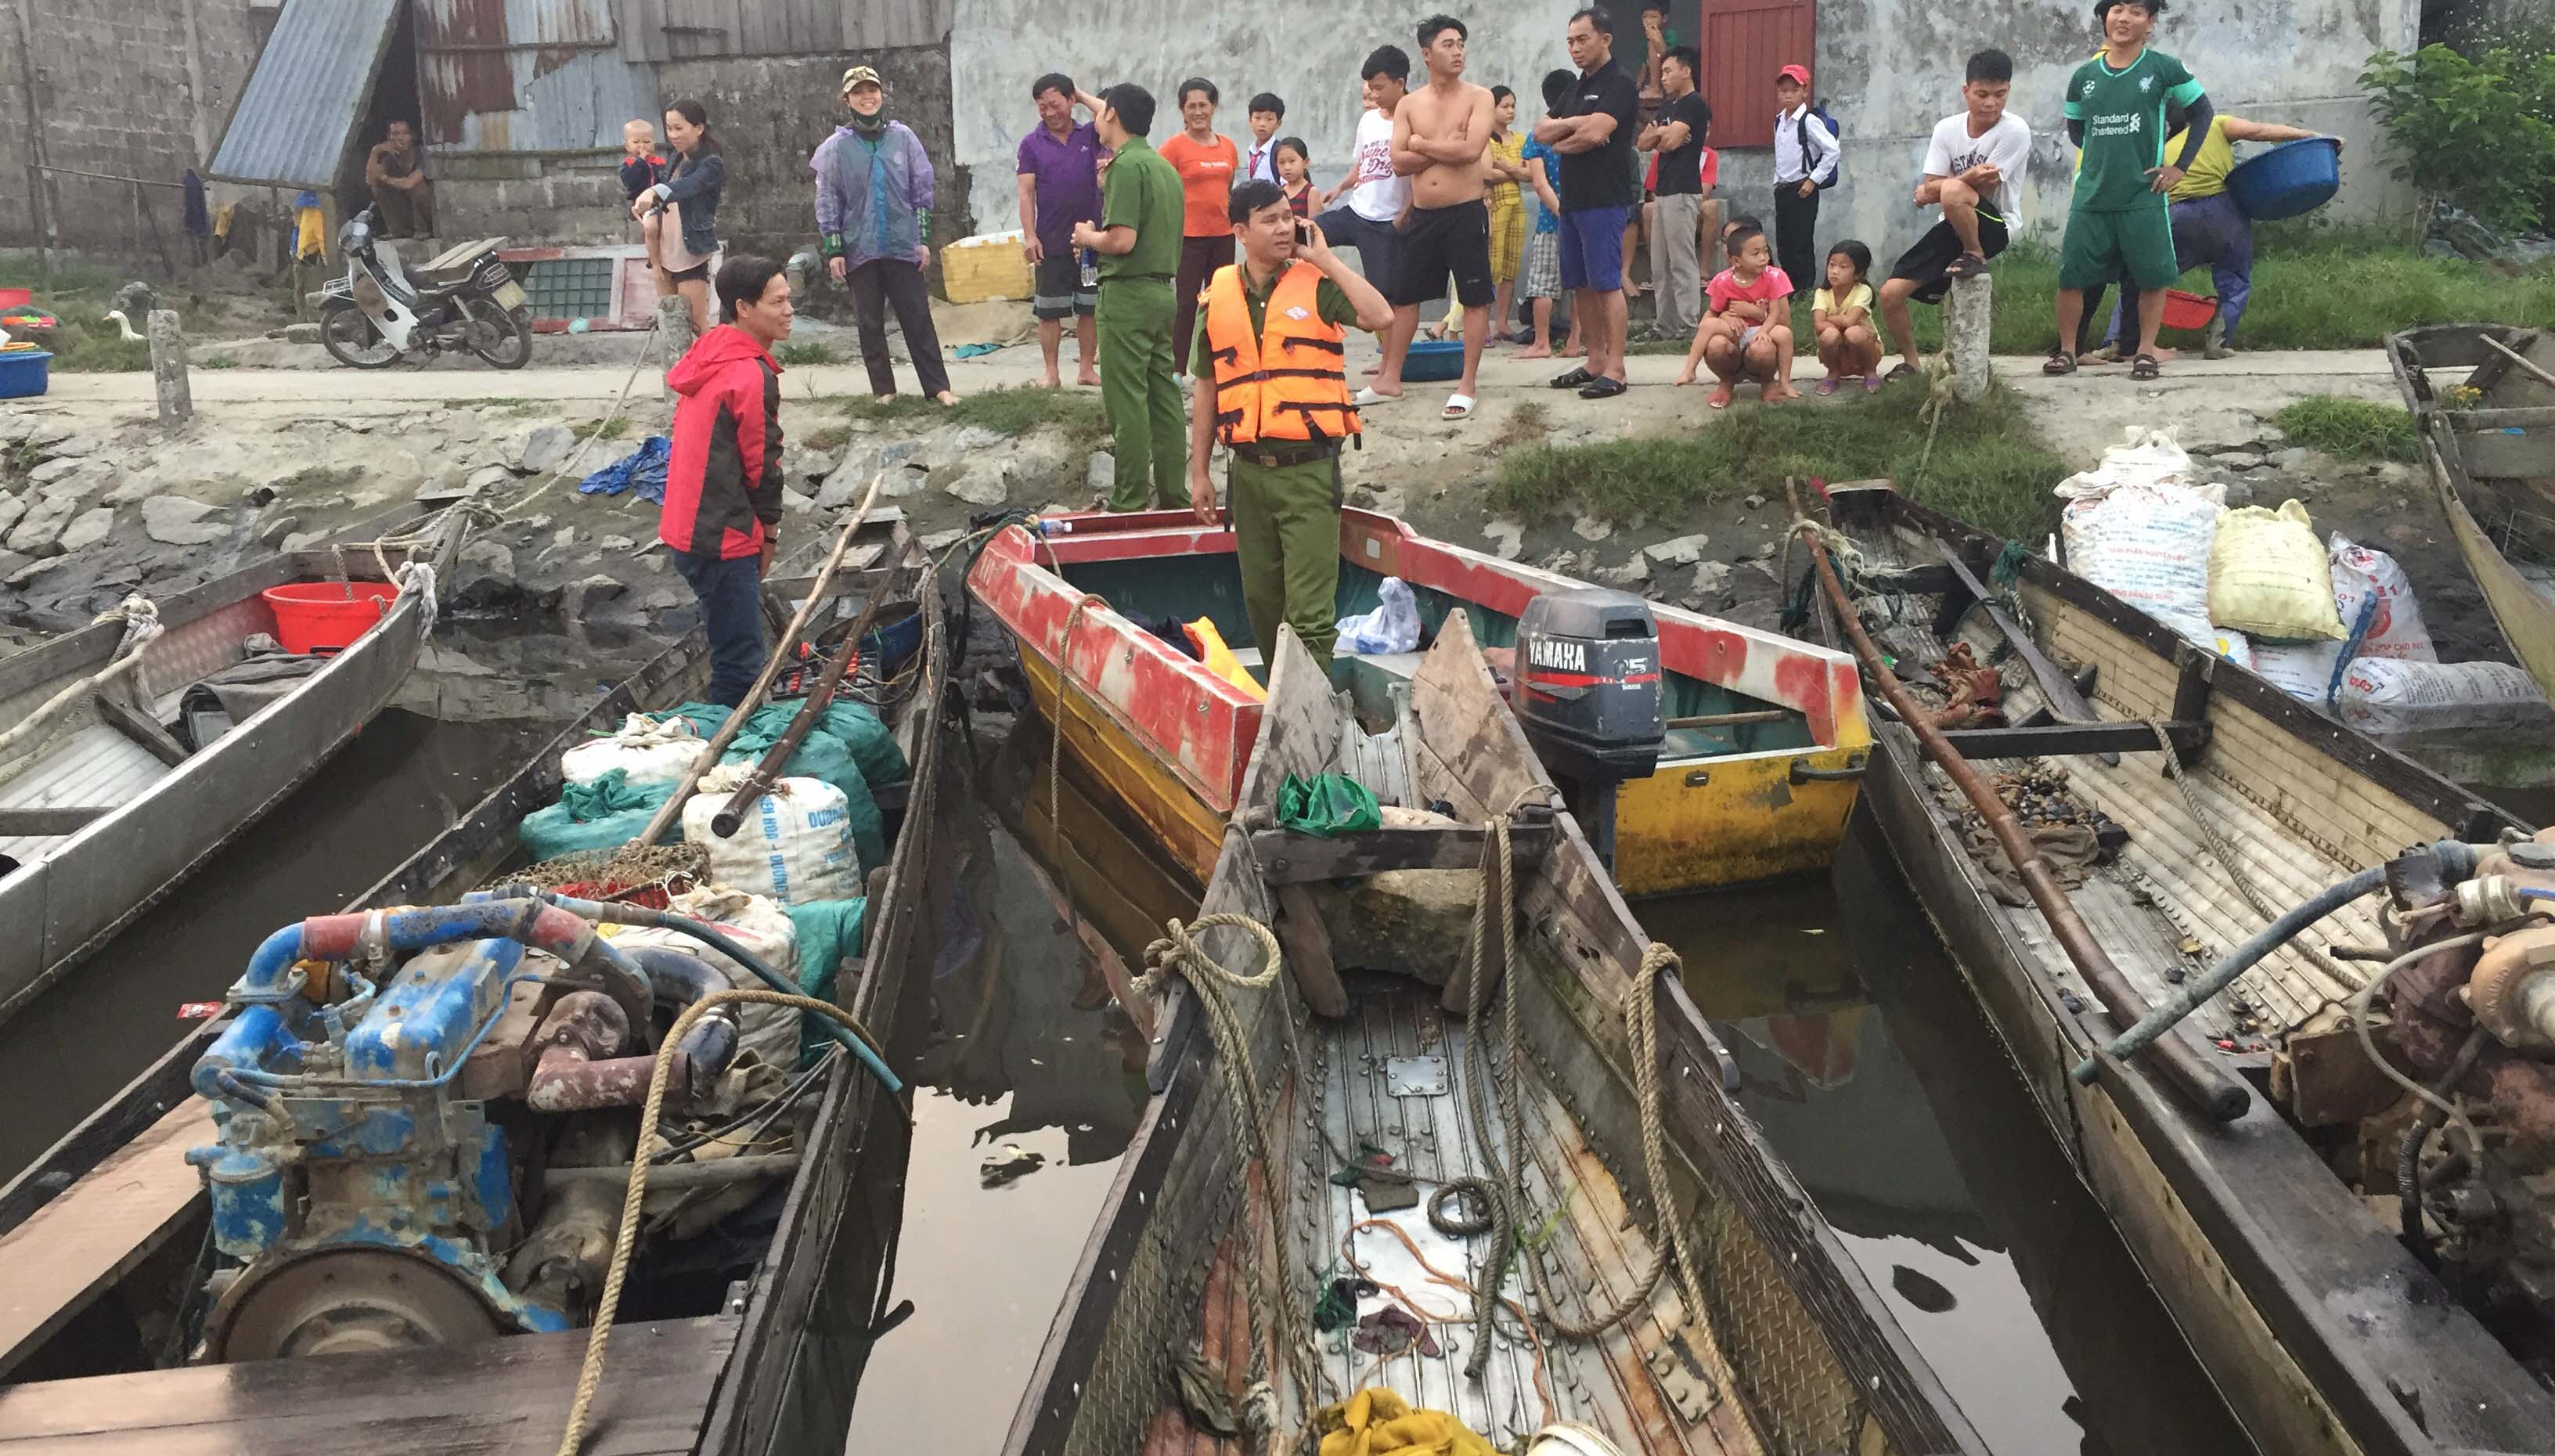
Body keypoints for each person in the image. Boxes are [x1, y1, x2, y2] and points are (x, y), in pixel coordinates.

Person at [1188, 180, 1393, 662]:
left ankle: (1310, 720)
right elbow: (1207, 388)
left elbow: (1380, 314)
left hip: (1308, 472)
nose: (1284, 228)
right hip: (1249, 474)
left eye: (1287, 217)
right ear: (1241, 231)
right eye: (1270, 220)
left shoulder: (1317, 283)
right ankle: (1279, 706)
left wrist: (1325, 259)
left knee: (1308, 617)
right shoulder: (1217, 295)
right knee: (1262, 606)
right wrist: (1199, 471)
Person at [2048, 0, 2211, 380]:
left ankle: (2144, 354)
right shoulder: (2084, 76)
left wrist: (2179, 167)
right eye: (2117, 8)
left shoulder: (2164, 69)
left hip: (2143, 196)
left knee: (2151, 277)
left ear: (2150, 23)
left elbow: (2203, 112)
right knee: (2071, 277)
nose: (2124, 18)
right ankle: (2067, 352)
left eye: (2137, 11)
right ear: (2105, 17)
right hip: (2091, 197)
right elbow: (2077, 130)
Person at [2087, 114, 2337, 360]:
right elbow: (2260, 131)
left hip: (2175, 218)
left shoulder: (2159, 149)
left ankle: (2117, 342)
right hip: (2224, 214)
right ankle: (2218, 343)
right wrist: (2315, 137)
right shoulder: (2216, 124)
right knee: (2236, 279)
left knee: (2142, 279)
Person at [662, 255, 792, 708]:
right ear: (743, 308)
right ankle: (727, 759)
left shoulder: (711, 352)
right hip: (720, 534)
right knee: (739, 664)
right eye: (777, 301)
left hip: (687, 528)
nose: (789, 310)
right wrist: (769, 534)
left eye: (788, 299)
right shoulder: (749, 375)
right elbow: (762, 468)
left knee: (729, 647)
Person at [1879, 48, 2032, 380]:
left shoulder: (2015, 130)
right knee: (1890, 295)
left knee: (1952, 192)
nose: (1991, 103)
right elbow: (1931, 187)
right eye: (1982, 94)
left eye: (2000, 95)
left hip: (1995, 225)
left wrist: (1942, 188)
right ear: (1966, 91)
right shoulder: (1947, 130)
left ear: (2008, 91)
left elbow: (1973, 191)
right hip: (1951, 223)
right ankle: (1911, 362)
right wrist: (1957, 183)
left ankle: (1974, 254)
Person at [1372, 15, 1495, 420]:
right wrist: (1440, 145)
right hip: (1424, 216)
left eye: (1460, 43)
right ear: (1426, 54)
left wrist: (1422, 144)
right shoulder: (1409, 103)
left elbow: (1471, 152)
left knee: (1475, 299)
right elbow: (1398, 162)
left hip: (1465, 212)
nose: (1458, 51)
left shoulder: (1479, 97)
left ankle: (1467, 384)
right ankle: (1390, 376)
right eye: (1448, 44)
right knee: (1406, 297)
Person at [1075, 84, 1189, 511]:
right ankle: (1175, 497)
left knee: (1128, 403)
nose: (1096, 118)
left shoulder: (1125, 167)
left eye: (1101, 112)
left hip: (1126, 294)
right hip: (1163, 293)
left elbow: (1121, 241)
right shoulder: (1162, 166)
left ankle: (1130, 500)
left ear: (1114, 116)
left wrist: (1088, 236)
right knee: (1164, 397)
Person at [815, 67, 955, 405]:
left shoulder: (903, 138)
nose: (867, 97)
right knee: (869, 321)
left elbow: (921, 189)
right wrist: (834, 247)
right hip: (859, 247)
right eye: (858, 92)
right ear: (846, 99)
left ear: (882, 94)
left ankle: (938, 388)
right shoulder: (836, 148)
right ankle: (884, 391)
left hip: (901, 243)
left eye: (872, 90)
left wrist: (922, 239)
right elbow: (828, 197)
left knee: (917, 317)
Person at [1537, 8, 1639, 400]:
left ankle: (1616, 368)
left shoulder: (1621, 84)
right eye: (1570, 41)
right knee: (1579, 285)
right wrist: (1577, 126)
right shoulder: (1576, 86)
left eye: (1582, 40)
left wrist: (1572, 131)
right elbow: (1541, 130)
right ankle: (1595, 360)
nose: (1575, 48)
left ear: (1605, 39)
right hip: (1572, 202)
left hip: (1605, 199)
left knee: (1607, 284)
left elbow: (1597, 133)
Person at [1314, 48, 1414, 361]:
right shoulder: (1369, 120)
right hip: (1356, 211)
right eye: (1370, 87)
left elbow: (1424, 176)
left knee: (1384, 296)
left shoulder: (1414, 120)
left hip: (1386, 223)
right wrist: (1340, 187)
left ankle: (1389, 362)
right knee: (1300, 234)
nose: (1373, 94)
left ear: (1400, 83)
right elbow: (1363, 163)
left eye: (1379, 87)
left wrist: (1405, 214)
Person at [1018, 72, 1108, 389]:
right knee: (1049, 310)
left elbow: (1111, 113)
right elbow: (1026, 193)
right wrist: (1030, 236)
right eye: (1043, 107)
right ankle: (1051, 373)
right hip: (1051, 240)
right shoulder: (1031, 144)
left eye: (1056, 104)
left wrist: (1082, 95)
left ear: (1070, 101)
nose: (1050, 113)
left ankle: (1086, 369)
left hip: (1091, 240)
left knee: (1090, 307)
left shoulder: (1091, 135)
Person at [1160, 79, 1240, 374]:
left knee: (1220, 304)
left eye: (1202, 105)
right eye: (1190, 106)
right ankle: (1177, 369)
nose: (1197, 111)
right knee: (1185, 306)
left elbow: (1228, 189)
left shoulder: (1228, 147)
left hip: (1223, 236)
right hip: (1188, 239)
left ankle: (1217, 367)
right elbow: (1159, 185)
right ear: (1182, 110)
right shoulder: (1174, 147)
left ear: (1213, 107)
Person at [1675, 222, 1796, 407]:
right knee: (1710, 331)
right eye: (1756, 254)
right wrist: (1725, 316)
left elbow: (1779, 317)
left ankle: (1781, 383)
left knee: (1783, 335)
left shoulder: (1773, 277)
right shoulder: (1722, 281)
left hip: (1761, 330)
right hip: (1735, 332)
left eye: (1766, 252)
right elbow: (1712, 314)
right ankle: (1693, 370)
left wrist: (1756, 316)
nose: (1764, 258)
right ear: (1736, 260)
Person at [633, 99, 726, 335]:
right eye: (669, 128)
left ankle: (721, 368)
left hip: (689, 251)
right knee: (671, 324)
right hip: (662, 250)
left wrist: (654, 193)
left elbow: (688, 186)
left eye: (679, 128)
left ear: (699, 128)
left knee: (696, 323)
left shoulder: (711, 164)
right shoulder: (675, 158)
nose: (673, 135)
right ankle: (679, 371)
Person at [1638, 45, 1710, 341]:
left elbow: (1669, 143)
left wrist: (1662, 138)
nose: (1663, 77)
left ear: (1686, 71)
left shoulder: (1695, 104)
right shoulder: (1667, 107)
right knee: (1660, 263)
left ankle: (1689, 324)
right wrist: (1660, 136)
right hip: (1662, 191)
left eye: (1668, 71)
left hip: (1684, 190)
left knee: (1681, 260)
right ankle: (1665, 325)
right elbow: (1644, 142)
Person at [1512, 70, 1572, 360]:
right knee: (1580, 286)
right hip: (1582, 216)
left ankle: (1542, 343)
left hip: (1551, 221)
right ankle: (1575, 343)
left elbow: (1539, 182)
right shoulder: (1580, 128)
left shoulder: (1539, 134)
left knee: (1542, 285)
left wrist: (1560, 212)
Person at [1769, 65, 1836, 294]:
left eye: (1794, 90)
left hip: (1803, 189)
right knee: (1784, 244)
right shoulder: (1779, 121)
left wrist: (1813, 180)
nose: (1788, 95)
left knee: (1801, 243)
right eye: (1784, 90)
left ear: (1804, 92)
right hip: (1783, 189)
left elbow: (1832, 150)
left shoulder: (1809, 121)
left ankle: (1804, 292)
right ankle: (1788, 291)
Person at [1483, 86, 1527, 348]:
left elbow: (1531, 173)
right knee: (1491, 267)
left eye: (1512, 105)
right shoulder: (1485, 140)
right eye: (1504, 106)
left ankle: (1501, 322)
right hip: (1495, 206)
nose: (1510, 111)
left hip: (1516, 207)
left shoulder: (1520, 140)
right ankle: (1484, 325)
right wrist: (1517, 171)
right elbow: (1486, 174)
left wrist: (1507, 169)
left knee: (1510, 266)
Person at [1813, 240, 1881, 394]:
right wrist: (1836, 326)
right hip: (1838, 353)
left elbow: (1850, 322)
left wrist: (1828, 318)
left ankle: (1870, 372)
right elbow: (1818, 325)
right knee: (1829, 335)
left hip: (1866, 351)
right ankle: (1833, 374)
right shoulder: (1822, 294)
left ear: (1858, 274)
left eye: (1843, 267)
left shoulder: (1863, 291)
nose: (1835, 271)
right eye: (1832, 265)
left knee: (1854, 333)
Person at [365, 121, 434, 239]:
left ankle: (423, 231)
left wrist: (384, 177)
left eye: (405, 133)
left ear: (412, 136)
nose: (400, 138)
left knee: (418, 188)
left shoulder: (423, 155)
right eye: (395, 134)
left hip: (430, 215)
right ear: (389, 138)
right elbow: (370, 180)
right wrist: (375, 152)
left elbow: (409, 183)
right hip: (408, 214)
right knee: (378, 187)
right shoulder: (390, 159)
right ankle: (397, 231)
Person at [1244, 93, 1286, 183]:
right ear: (1250, 120)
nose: (1262, 124)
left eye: (1269, 119)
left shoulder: (1280, 152)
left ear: (1278, 123)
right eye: (1257, 118)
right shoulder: (1252, 150)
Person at [1275, 137, 1317, 216]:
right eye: (1281, 162)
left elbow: (1314, 225)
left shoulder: (1311, 192)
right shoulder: (1279, 192)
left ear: (1306, 162)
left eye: (1292, 161)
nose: (1287, 167)